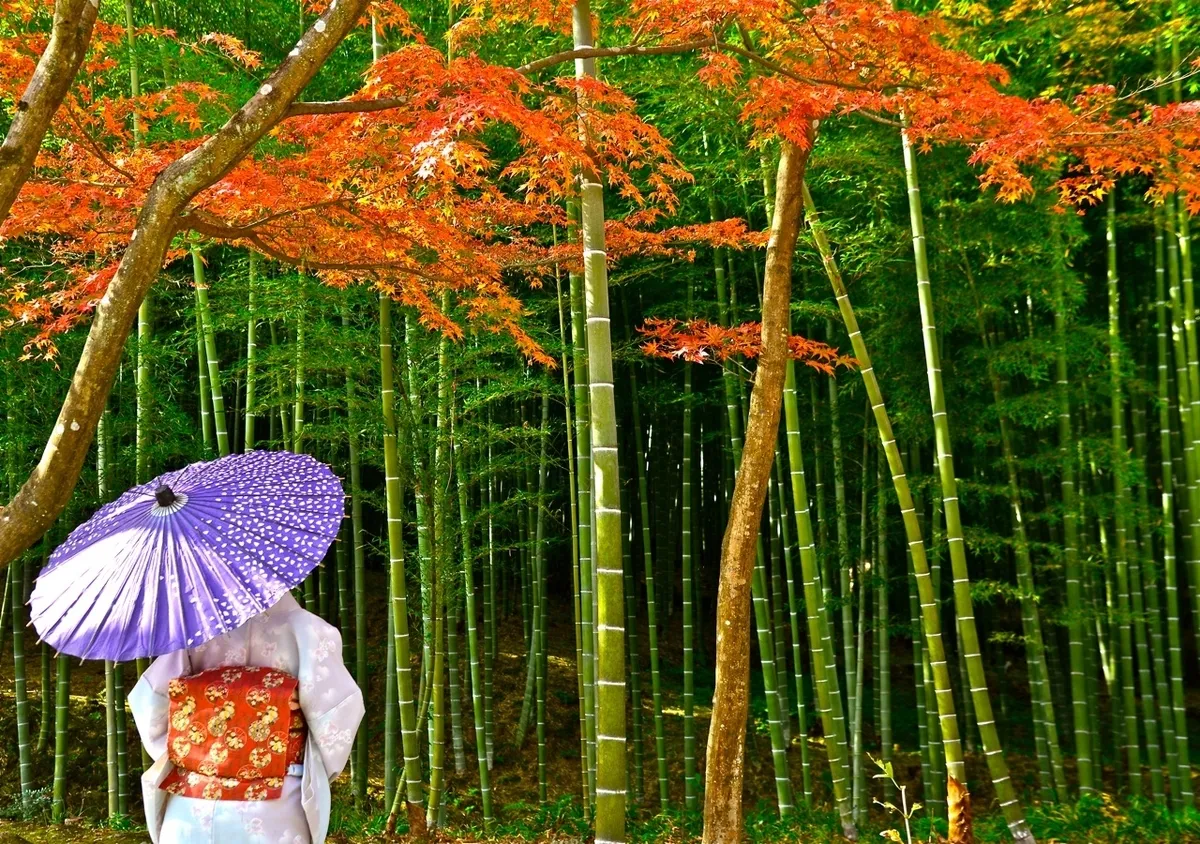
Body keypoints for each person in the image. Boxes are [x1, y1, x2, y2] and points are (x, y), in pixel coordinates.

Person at [130, 591, 364, 844]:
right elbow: (337, 715)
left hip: (192, 802)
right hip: (275, 806)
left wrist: (202, 743)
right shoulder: (309, 631)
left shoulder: (192, 631)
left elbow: (151, 703)